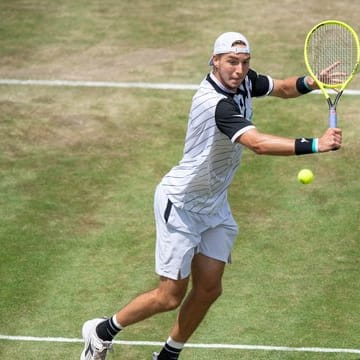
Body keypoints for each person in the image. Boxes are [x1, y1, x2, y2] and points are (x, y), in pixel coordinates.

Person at [81, 31, 342, 360]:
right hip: (182, 205)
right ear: (214, 61)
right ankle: (101, 332)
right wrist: (315, 144)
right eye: (232, 62)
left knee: (208, 289)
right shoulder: (215, 104)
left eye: (245, 63)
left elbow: (283, 88)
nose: (239, 70)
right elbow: (258, 145)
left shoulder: (245, 81)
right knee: (169, 296)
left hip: (213, 203)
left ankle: (167, 355)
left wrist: (312, 82)